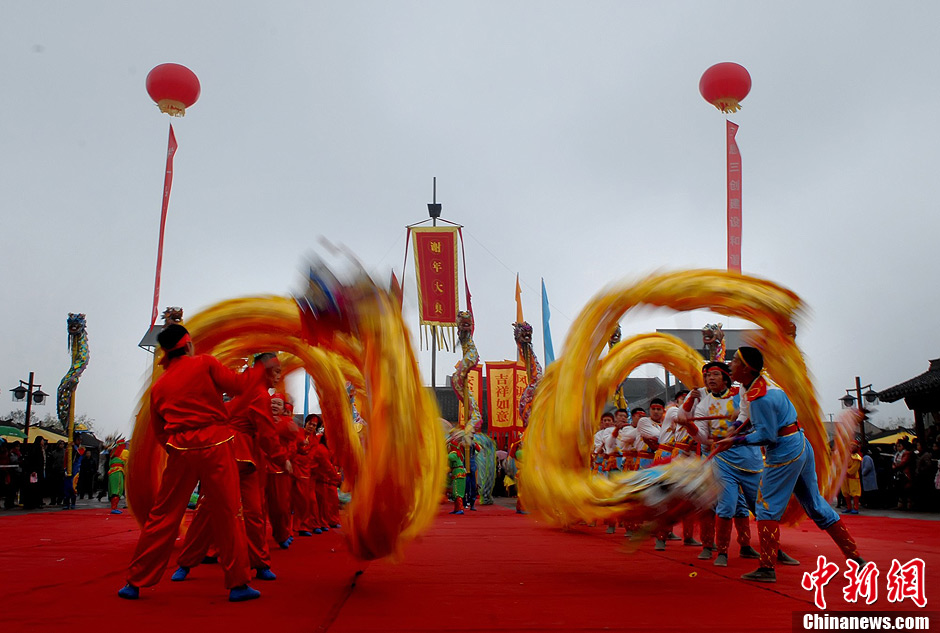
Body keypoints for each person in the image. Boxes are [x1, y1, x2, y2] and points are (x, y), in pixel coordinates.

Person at [118, 324, 272, 602]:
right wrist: (261, 367)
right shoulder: (205, 363)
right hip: (216, 444)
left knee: (163, 514)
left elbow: (159, 428)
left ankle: (134, 582)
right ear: (188, 345)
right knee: (228, 512)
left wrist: (175, 448)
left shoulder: (159, 386)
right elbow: (238, 386)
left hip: (181, 448)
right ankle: (238, 584)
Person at [716, 347, 864, 583]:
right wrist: (734, 429)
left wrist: (733, 441)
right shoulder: (752, 386)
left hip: (785, 450)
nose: (729, 365)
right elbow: (744, 413)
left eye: (734, 361)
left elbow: (767, 436)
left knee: (765, 508)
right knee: (815, 505)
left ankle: (767, 568)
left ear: (747, 368)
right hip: (799, 444)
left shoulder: (762, 397)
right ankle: (856, 558)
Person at [172, 353, 290, 582]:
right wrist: (281, 459)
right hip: (236, 454)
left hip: (229, 455)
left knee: (226, 510)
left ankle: (187, 565)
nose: (279, 376)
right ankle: (258, 564)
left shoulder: (244, 389)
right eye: (276, 371)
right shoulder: (258, 394)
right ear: (264, 370)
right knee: (241, 511)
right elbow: (266, 433)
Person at [892, 439, 914, 510]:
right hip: (898, 473)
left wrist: (896, 466)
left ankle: (908, 504)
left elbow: (903, 463)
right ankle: (901, 504)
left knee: (906, 489)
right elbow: (894, 462)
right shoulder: (897, 454)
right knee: (899, 488)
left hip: (905, 473)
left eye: (899, 446)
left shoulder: (906, 453)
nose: (898, 447)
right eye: (897, 446)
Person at [841, 444, 862, 514]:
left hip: (853, 477)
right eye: (851, 446)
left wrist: (847, 472)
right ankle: (849, 507)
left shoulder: (857, 457)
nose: (851, 447)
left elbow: (855, 468)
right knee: (845, 491)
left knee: (855, 492)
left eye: (853, 446)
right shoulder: (846, 455)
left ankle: (856, 508)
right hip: (845, 477)